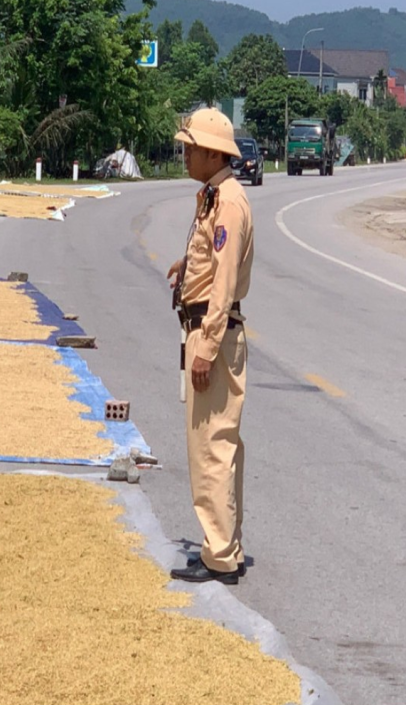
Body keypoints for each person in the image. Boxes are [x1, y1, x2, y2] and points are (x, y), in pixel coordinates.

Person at [166, 107, 254, 585]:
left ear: (210, 152)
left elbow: (223, 283)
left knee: (211, 448)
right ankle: (224, 544)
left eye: (188, 148)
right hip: (205, 327)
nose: (184, 155)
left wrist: (207, 347)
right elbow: (212, 260)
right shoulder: (215, 198)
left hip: (213, 334)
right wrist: (187, 266)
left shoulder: (229, 203)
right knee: (216, 445)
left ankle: (220, 553)